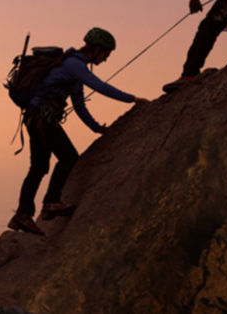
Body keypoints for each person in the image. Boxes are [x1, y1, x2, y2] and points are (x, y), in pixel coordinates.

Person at [8, 27, 148, 235]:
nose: (106, 59)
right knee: (69, 157)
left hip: (35, 118)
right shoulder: (75, 65)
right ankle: (50, 203)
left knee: (39, 167)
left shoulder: (72, 69)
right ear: (97, 49)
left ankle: (24, 214)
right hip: (43, 119)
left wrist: (96, 128)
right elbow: (100, 87)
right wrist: (133, 99)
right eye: (106, 54)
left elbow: (80, 106)